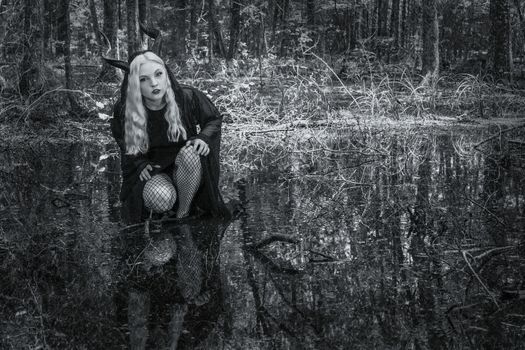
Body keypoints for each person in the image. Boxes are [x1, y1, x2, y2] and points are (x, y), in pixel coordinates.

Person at [109, 50, 229, 223]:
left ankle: (183, 212)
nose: (154, 83)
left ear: (167, 74)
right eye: (143, 79)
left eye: (158, 74)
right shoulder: (125, 108)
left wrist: (203, 137)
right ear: (135, 84)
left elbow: (213, 120)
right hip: (155, 169)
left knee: (190, 153)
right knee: (160, 198)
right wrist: (139, 162)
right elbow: (123, 139)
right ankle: (168, 203)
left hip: (190, 166)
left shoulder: (187, 96)